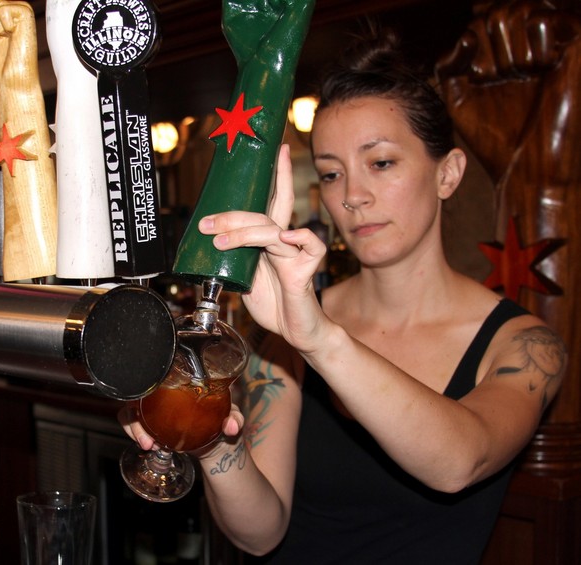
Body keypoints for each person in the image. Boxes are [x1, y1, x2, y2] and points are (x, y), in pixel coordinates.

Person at [122, 32, 567, 563]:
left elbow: (459, 462)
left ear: (447, 173)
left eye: (380, 163)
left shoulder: (525, 346)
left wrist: (319, 339)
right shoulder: (289, 330)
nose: (352, 195)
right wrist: (212, 439)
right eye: (332, 173)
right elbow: (259, 532)